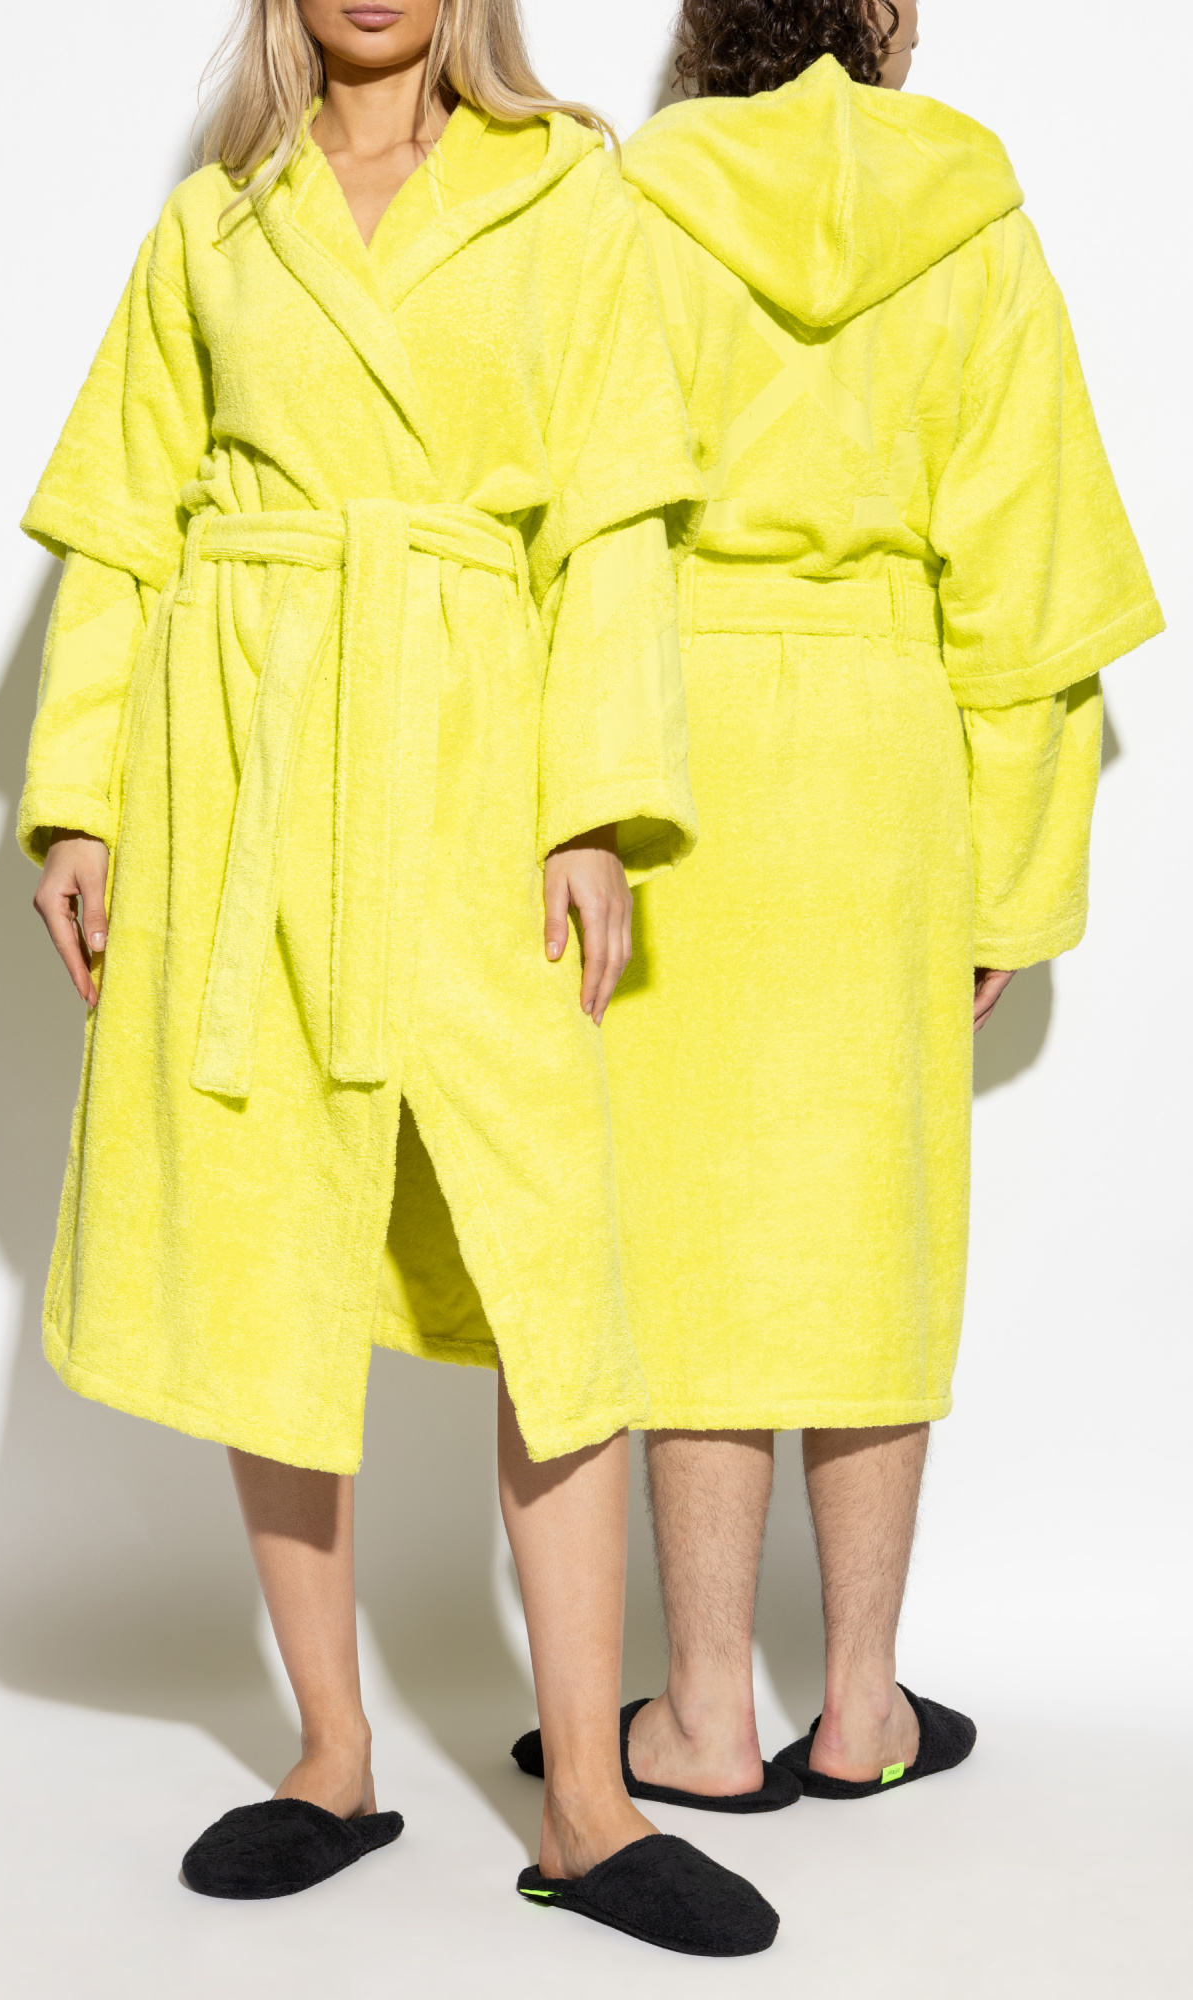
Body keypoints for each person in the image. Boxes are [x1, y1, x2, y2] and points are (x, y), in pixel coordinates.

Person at [19, 0, 778, 1955]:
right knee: (272, 1246)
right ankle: (331, 1755)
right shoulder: (217, 216)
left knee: (550, 1277)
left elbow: (613, 517)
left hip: (474, 761)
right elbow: (118, 531)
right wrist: (81, 798)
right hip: (243, 774)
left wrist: (593, 806)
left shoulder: (564, 190)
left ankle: (590, 1801)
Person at [514, 0, 1163, 1809]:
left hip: (681, 759)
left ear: (703, 27)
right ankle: (863, 1708)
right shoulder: (975, 223)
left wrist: (572, 808)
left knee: (694, 1241)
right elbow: (1033, 594)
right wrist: (1010, 880)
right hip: (888, 766)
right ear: (881, 23)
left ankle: (702, 1716)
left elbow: (580, 533)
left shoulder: (636, 209)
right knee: (875, 1237)